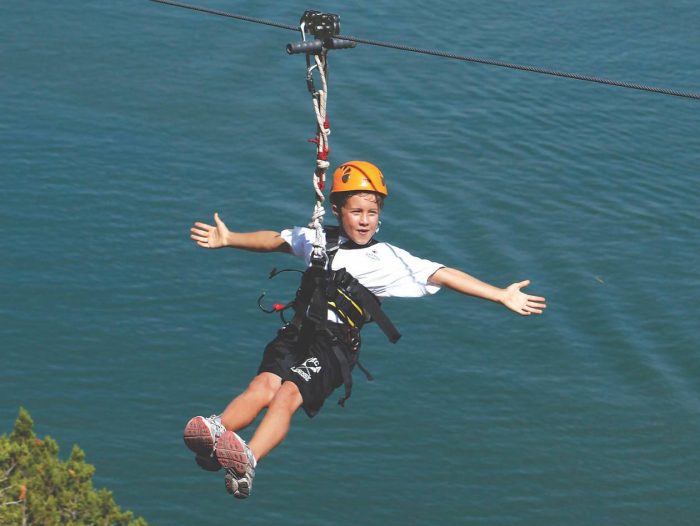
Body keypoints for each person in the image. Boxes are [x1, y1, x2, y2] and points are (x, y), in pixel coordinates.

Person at [184, 160, 547, 499]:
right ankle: (217, 433)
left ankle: (249, 459)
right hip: (297, 334)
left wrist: (499, 294)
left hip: (332, 348)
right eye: (356, 212)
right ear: (338, 211)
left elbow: (443, 274)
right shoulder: (318, 240)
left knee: (287, 394)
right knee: (262, 386)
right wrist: (230, 238)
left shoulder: (387, 259)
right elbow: (276, 240)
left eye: (372, 213)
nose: (364, 221)